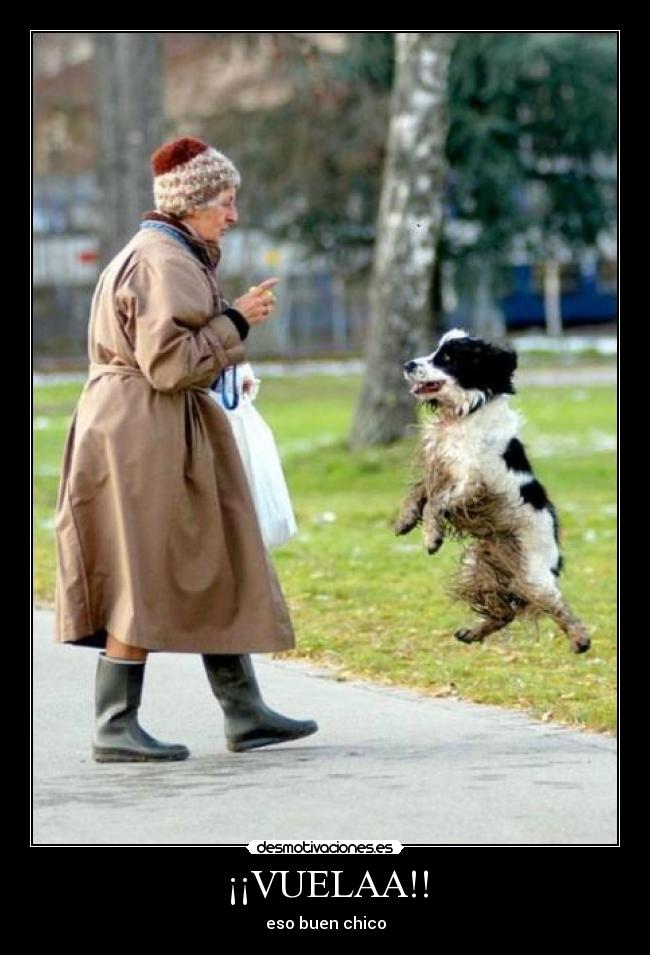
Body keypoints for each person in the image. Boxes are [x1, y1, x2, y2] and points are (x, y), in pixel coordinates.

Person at [54, 136, 317, 762]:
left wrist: (226, 344)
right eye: (225, 201)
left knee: (215, 553)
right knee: (141, 570)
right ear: (192, 202)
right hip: (142, 433)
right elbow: (169, 364)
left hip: (156, 425)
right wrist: (238, 321)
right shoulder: (163, 260)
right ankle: (115, 725)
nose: (233, 214)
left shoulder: (169, 251)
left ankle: (245, 711)